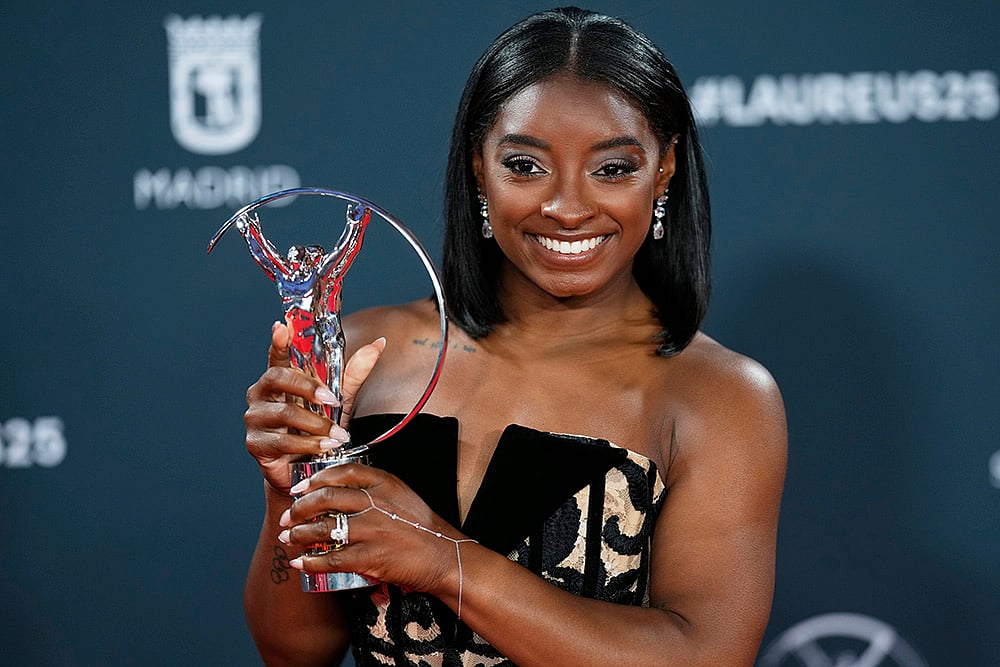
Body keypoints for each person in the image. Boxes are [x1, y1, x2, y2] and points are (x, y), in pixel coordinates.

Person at [241, 7, 787, 666]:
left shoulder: (720, 396)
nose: (567, 205)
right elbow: (295, 650)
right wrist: (287, 492)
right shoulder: (364, 352)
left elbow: (706, 656)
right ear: (479, 167)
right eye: (525, 165)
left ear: (664, 170)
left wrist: (443, 559)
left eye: (612, 169)